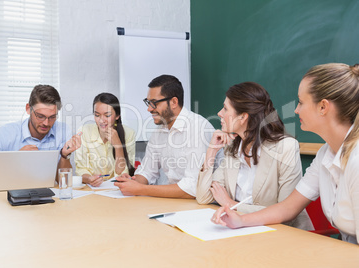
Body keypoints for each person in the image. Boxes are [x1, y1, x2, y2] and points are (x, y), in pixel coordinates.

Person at [212, 63, 359, 244]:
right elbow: (288, 208)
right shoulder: (325, 154)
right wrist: (239, 220)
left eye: (301, 102)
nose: (296, 110)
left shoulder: (356, 160)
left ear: (323, 107)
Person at [196, 82, 313, 230]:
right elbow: (203, 197)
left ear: (243, 117)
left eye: (225, 108)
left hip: (284, 235)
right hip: (242, 231)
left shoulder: (286, 148)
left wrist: (232, 205)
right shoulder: (232, 148)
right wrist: (211, 151)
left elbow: (286, 213)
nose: (219, 113)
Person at [114, 74, 217, 198]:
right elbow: (147, 171)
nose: (149, 109)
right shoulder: (160, 130)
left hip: (198, 204)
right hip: (171, 201)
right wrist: (133, 182)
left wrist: (141, 189)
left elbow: (192, 187)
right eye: (148, 103)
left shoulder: (198, 128)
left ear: (174, 102)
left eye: (154, 103)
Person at [0, 85, 81, 186]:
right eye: (40, 116)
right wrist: (16, 159)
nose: (46, 123)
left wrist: (64, 155)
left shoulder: (62, 130)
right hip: (9, 199)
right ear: (28, 109)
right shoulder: (4, 134)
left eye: (52, 117)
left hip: (47, 200)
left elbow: (64, 182)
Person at [75, 93, 136, 186]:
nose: (101, 120)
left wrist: (118, 146)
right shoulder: (84, 131)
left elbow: (123, 173)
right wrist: (89, 179)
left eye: (107, 115)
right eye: (97, 115)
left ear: (117, 116)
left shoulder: (129, 133)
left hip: (116, 189)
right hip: (91, 189)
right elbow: (80, 168)